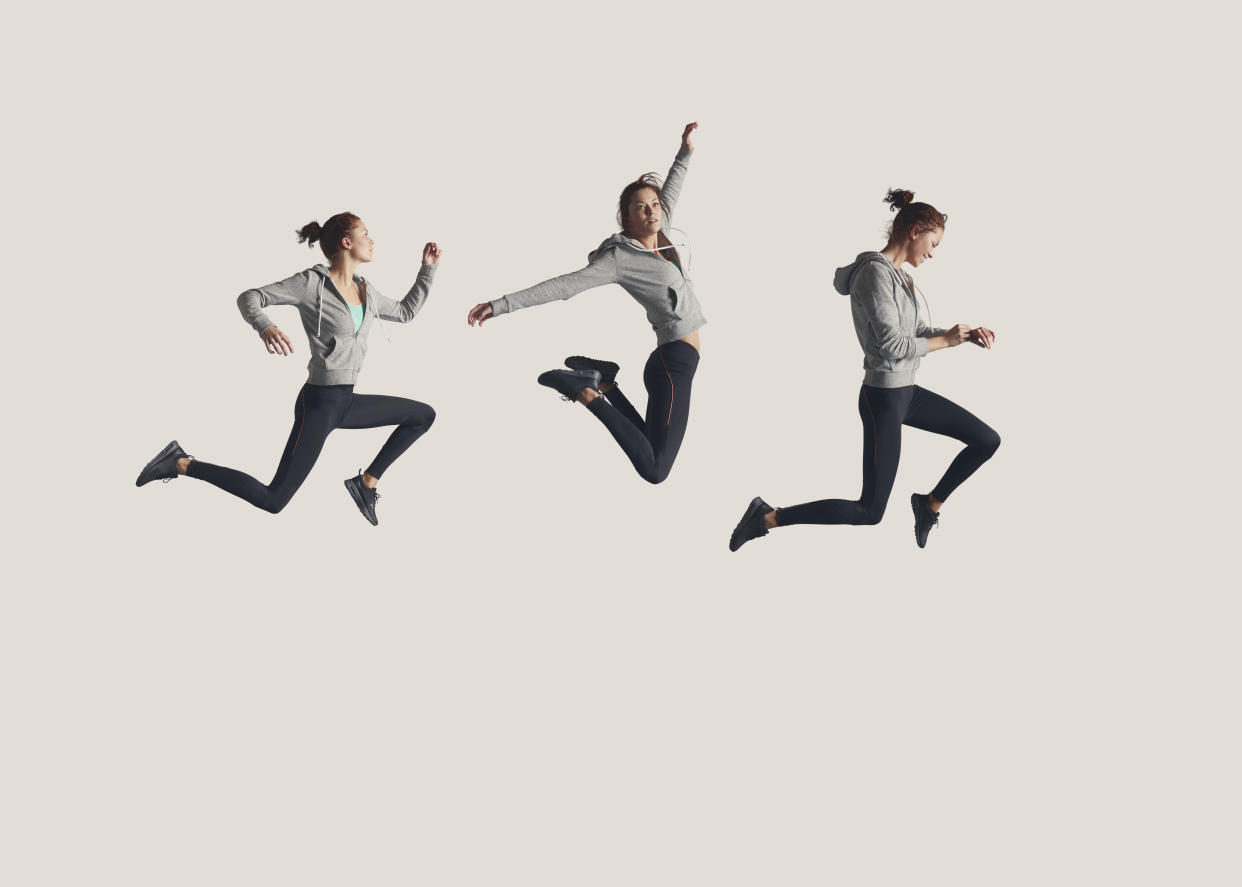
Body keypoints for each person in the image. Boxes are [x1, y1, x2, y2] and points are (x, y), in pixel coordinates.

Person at [729, 189, 1000, 551]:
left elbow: (914, 333)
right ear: (915, 231)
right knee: (870, 511)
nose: (934, 253)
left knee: (986, 440)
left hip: (907, 393)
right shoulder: (874, 274)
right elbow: (891, 345)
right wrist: (945, 343)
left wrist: (959, 335)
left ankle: (928, 504)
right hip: (883, 399)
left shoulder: (902, 278)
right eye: (933, 243)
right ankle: (767, 517)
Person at [135, 213, 442, 526]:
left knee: (423, 415)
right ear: (346, 242)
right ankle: (181, 463)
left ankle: (366, 484)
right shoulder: (310, 284)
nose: (372, 240)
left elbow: (405, 312)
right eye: (366, 233)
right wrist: (265, 326)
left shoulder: (366, 290)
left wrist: (428, 269)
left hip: (346, 402)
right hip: (319, 405)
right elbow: (250, 297)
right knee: (274, 500)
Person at [467, 122, 704, 485]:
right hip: (673, 364)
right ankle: (583, 390)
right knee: (655, 470)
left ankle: (606, 383)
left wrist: (685, 150)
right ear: (627, 218)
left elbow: (672, 187)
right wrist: (501, 304)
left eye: (654, 205)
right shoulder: (619, 259)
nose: (652, 212)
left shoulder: (661, 232)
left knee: (648, 447)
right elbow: (564, 285)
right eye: (640, 208)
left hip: (674, 362)